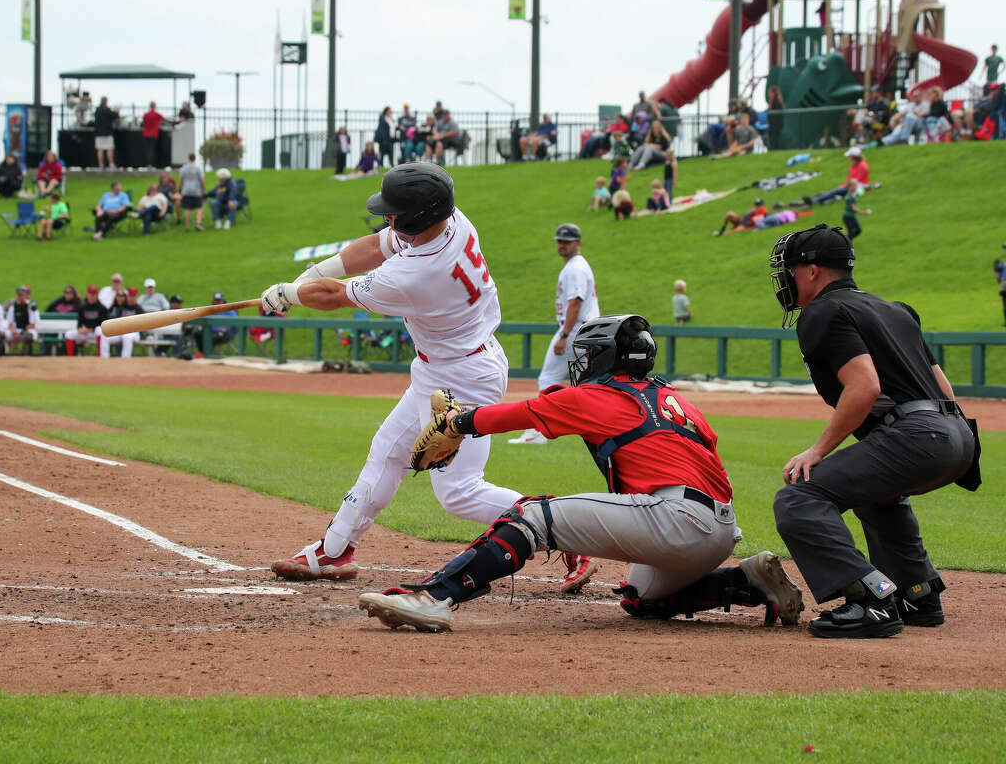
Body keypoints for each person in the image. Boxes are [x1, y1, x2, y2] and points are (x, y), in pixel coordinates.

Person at [263, 162, 593, 593]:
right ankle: (335, 548)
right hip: (446, 365)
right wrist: (312, 274)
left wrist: (290, 293)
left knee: (458, 492)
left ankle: (564, 528)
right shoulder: (451, 221)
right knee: (387, 451)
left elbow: (335, 297)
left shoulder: (415, 273)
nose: (388, 218)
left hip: (461, 379)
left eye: (395, 212)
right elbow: (377, 245)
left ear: (417, 217)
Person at [357, 314, 804, 633]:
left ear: (607, 358)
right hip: (720, 528)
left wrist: (458, 423)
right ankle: (746, 582)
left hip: (676, 519)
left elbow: (522, 413)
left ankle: (434, 598)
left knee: (532, 516)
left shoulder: (599, 396)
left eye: (590, 355)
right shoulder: (676, 400)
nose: (583, 364)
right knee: (642, 599)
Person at [768, 225, 978, 638]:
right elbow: (945, 390)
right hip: (957, 434)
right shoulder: (895, 309)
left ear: (812, 272)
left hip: (918, 435)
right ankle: (917, 592)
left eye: (790, 270)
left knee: (799, 497)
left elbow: (865, 386)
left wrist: (817, 451)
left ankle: (871, 599)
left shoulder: (821, 312)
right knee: (873, 494)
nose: (787, 280)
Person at [509, 221, 599, 464]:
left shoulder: (575, 268)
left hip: (576, 330)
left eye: (567, 241)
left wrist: (564, 335)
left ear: (578, 243)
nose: (562, 245)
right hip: (585, 331)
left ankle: (538, 430)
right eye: (560, 241)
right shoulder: (577, 266)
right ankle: (596, 428)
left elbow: (575, 302)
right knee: (586, 385)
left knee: (549, 379)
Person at [804, 147, 869, 206]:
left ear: (854, 156)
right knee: (835, 190)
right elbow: (848, 179)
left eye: (850, 156)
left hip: (858, 188)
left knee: (836, 191)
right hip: (851, 186)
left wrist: (844, 187)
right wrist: (842, 186)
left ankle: (816, 201)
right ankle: (817, 199)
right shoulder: (853, 166)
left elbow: (856, 181)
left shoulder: (863, 166)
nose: (848, 157)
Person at [64, 284, 109, 355]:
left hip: (95, 333)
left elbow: (104, 324)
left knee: (99, 330)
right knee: (68, 334)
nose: (92, 296)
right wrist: (79, 329)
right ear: (87, 294)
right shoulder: (82, 306)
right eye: (90, 293)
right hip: (84, 332)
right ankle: (70, 358)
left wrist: (92, 329)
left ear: (97, 294)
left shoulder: (101, 308)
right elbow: (80, 320)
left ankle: (101, 355)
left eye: (94, 294)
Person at [101, 287, 141, 358]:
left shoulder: (139, 309)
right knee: (105, 336)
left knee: (127, 336)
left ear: (136, 297)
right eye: (130, 295)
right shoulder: (121, 307)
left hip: (134, 333)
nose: (131, 298)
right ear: (127, 296)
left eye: (133, 296)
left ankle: (125, 360)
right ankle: (104, 359)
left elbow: (144, 324)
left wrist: (146, 335)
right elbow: (116, 321)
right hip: (121, 332)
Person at [0, 286, 39, 356]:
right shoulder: (13, 306)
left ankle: (26, 356)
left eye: (22, 295)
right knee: (0, 335)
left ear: (26, 295)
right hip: (17, 330)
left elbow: (32, 324)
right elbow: (10, 323)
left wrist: (20, 333)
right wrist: (14, 332)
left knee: (27, 336)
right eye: (18, 295)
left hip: (29, 330)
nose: (20, 297)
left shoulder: (31, 306)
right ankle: (2, 356)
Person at [179, 152, 206, 231]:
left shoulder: (184, 168)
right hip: (196, 190)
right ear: (195, 158)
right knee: (199, 207)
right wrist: (202, 189)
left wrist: (181, 189)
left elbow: (181, 180)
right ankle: (198, 223)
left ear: (188, 158)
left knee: (188, 208)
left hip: (186, 190)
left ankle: (187, 227)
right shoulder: (198, 168)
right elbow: (202, 180)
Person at [93, 97, 119, 169]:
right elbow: (115, 116)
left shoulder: (97, 110)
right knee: (109, 149)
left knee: (100, 149)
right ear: (106, 101)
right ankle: (111, 164)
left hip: (99, 133)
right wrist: (116, 111)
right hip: (108, 132)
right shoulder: (107, 110)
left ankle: (101, 165)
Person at [141, 102, 165, 167]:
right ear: (155, 106)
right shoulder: (157, 114)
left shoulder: (146, 114)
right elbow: (165, 119)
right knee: (151, 149)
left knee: (147, 150)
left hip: (146, 134)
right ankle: (150, 164)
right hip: (153, 134)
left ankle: (148, 164)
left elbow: (143, 123)